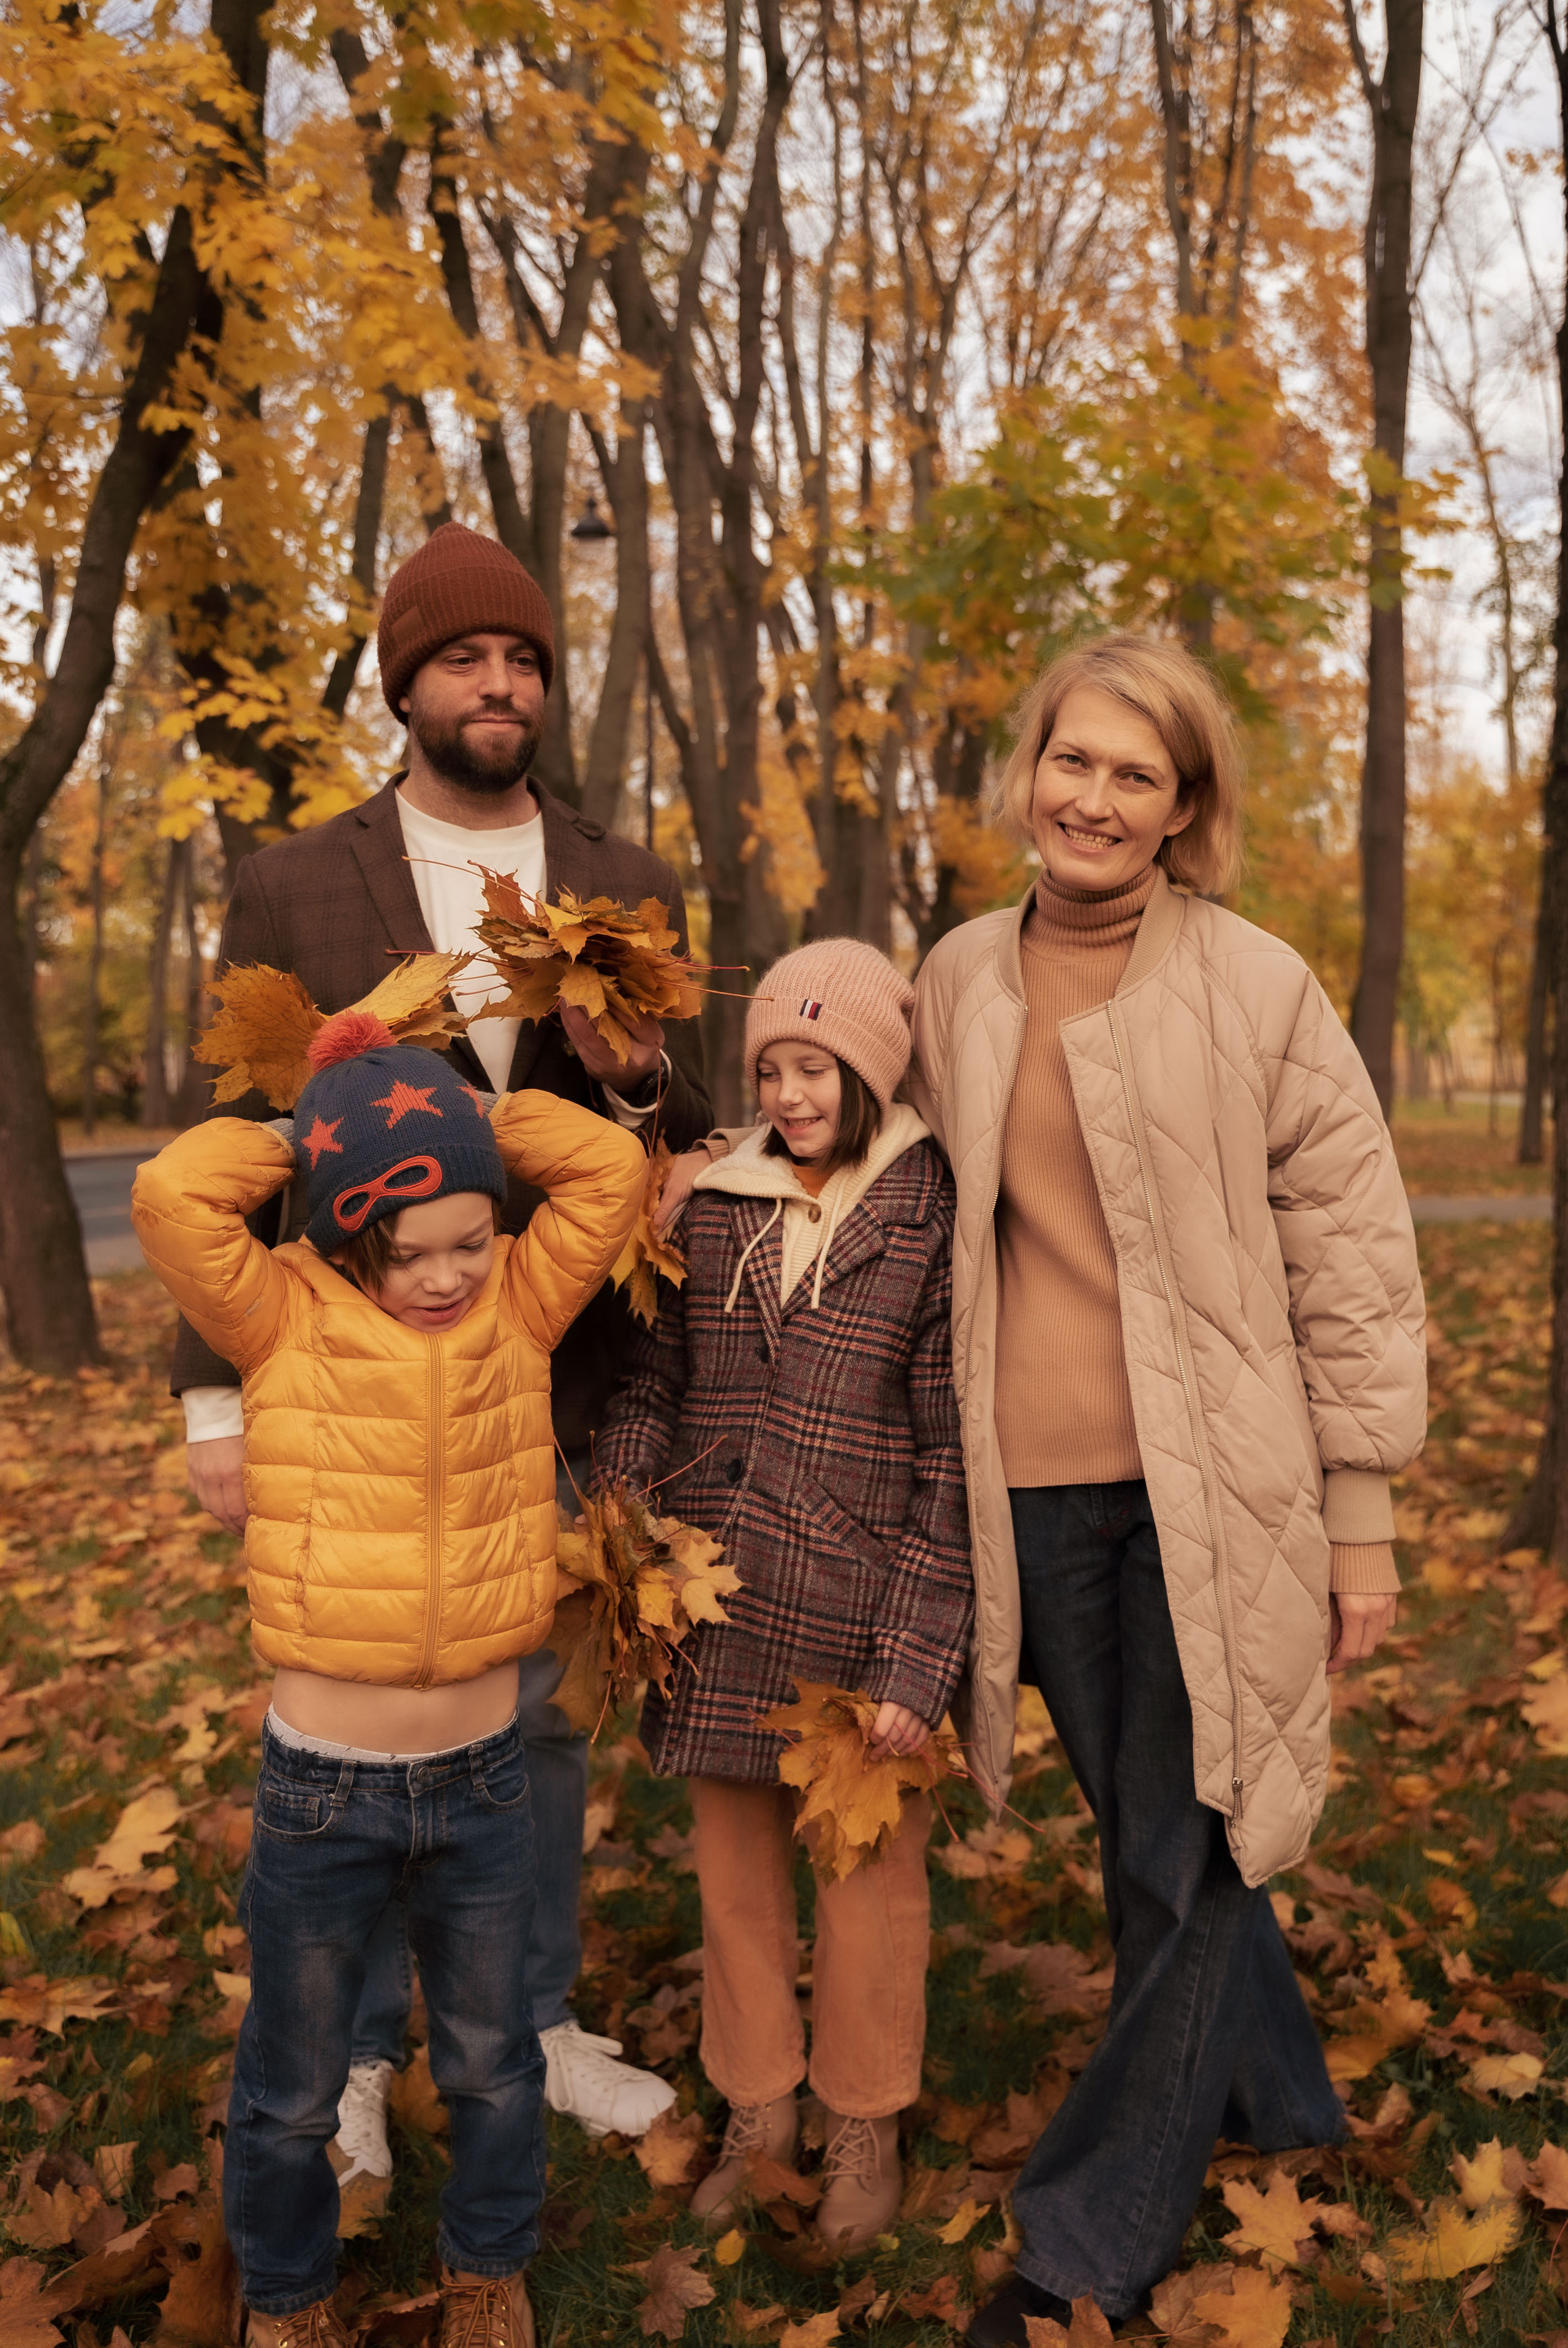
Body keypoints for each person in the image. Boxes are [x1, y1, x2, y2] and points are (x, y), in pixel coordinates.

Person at [906, 632, 1426, 2338]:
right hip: (1031, 1493)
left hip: (1225, 1489)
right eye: (1076, 760)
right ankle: (1279, 2094)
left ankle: (1082, 2243)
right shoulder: (959, 977)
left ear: (1184, 804)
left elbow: (1351, 1257)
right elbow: (892, 1190)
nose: (1099, 797)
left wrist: (1363, 1518)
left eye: (1140, 773)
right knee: (1149, 1841)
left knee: (1195, 1846)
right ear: (1030, 772)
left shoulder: (1258, 982)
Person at [172, 522, 709, 2162]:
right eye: (468, 657)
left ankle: (528, 2016)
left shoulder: (624, 876)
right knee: (349, 1701)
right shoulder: (294, 879)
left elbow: (667, 1130)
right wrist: (212, 1394)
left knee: (535, 1716)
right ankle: (343, 2060)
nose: (501, 684)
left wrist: (622, 1082)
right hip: (339, 1366)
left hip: (552, 1363)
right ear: (407, 679)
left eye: (527, 659)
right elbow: (233, 1137)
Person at [132, 1013, 648, 2348]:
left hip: (482, 1786)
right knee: (293, 2082)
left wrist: (460, 1118)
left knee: (490, 2063)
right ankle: (290, 2298)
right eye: (407, 1253)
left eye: (469, 1242)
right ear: (343, 1238)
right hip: (321, 1789)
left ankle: (486, 2268)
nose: (443, 1278)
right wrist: (311, 1126)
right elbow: (173, 1195)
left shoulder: (523, 1311)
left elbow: (606, 1174)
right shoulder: (278, 1317)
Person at [595, 941, 973, 2249]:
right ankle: (757, 2109)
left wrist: (921, 1657)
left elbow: (949, 1454)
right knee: (735, 1882)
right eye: (770, 1068)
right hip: (716, 1602)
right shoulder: (715, 1199)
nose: (793, 1091)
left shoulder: (927, 1210)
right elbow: (653, 1382)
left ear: (868, 1070)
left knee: (867, 1886)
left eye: (816, 1066)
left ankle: (862, 2115)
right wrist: (624, 1505)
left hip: (863, 1615)